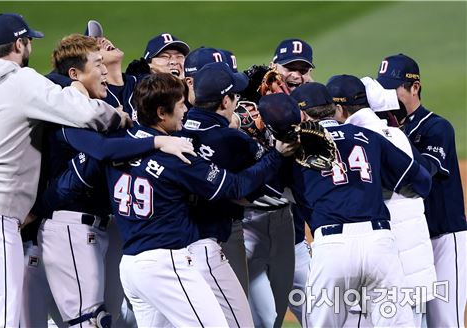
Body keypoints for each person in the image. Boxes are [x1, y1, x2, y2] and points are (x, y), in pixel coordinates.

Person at [0, 13, 125, 327]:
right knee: (1, 320)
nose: (30, 48)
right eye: (28, 41)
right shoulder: (20, 81)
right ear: (19, 44)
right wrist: (118, 116)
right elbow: (80, 112)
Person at [104, 72, 293, 327]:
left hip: (131, 267)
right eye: (181, 104)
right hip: (167, 262)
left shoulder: (120, 144)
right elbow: (235, 186)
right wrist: (277, 156)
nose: (186, 109)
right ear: (162, 112)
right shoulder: (176, 158)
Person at [35, 33, 194, 328]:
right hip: (69, 224)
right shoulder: (68, 109)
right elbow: (104, 149)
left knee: (116, 317)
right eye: (98, 65)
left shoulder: (98, 106)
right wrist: (157, 143)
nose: (104, 71)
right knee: (88, 320)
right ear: (75, 75)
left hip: (99, 224)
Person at [287, 82, 430, 326]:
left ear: (301, 114)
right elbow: (422, 182)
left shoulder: (295, 150)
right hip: (380, 245)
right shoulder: (370, 138)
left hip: (333, 249)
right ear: (333, 109)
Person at [327, 74, 437, 327]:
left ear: (339, 109)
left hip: (383, 261)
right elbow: (421, 184)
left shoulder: (352, 141)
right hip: (414, 261)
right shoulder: (396, 135)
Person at [376, 54, 467, 327]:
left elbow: (424, 171)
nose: (388, 96)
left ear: (414, 88)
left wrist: (393, 134)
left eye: (394, 89)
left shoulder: (436, 128)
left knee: (443, 321)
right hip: (410, 243)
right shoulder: (385, 129)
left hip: (444, 240)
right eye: (383, 89)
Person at [180, 61, 260, 326]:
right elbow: (252, 192)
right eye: (235, 96)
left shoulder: (174, 131)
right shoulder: (231, 140)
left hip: (165, 252)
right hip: (204, 249)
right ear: (226, 101)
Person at [243, 38, 316, 327]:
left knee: (322, 315)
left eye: (304, 69)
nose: (296, 75)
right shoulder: (247, 107)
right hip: (250, 237)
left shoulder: (314, 111)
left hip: (295, 238)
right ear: (275, 67)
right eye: (290, 67)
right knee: (263, 321)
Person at [125, 32, 190, 80]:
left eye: (179, 56)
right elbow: (134, 69)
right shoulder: (137, 90)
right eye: (165, 56)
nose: (174, 61)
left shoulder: (194, 89)